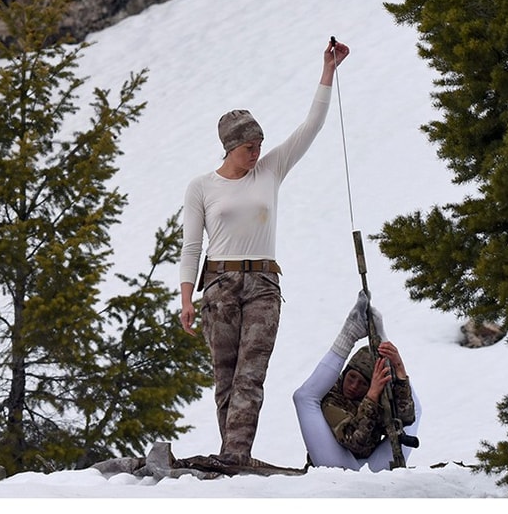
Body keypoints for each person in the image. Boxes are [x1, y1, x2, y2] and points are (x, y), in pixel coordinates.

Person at [178, 38, 350, 465]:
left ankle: (235, 456)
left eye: (259, 145)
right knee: (226, 377)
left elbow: (311, 125)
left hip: (263, 285)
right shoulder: (201, 186)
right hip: (217, 285)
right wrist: (186, 298)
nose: (256, 153)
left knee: (251, 375)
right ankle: (231, 456)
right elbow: (192, 245)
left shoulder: (271, 168)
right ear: (228, 147)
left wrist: (328, 70)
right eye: (248, 148)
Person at [292, 291, 421, 471]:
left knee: (415, 412)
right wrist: (371, 395)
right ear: (344, 374)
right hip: (338, 468)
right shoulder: (332, 395)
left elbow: (407, 418)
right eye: (351, 378)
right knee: (303, 397)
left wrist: (399, 369)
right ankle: (350, 333)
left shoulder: (378, 394)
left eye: (362, 383)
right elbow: (354, 441)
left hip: (371, 469)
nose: (353, 387)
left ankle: (382, 340)